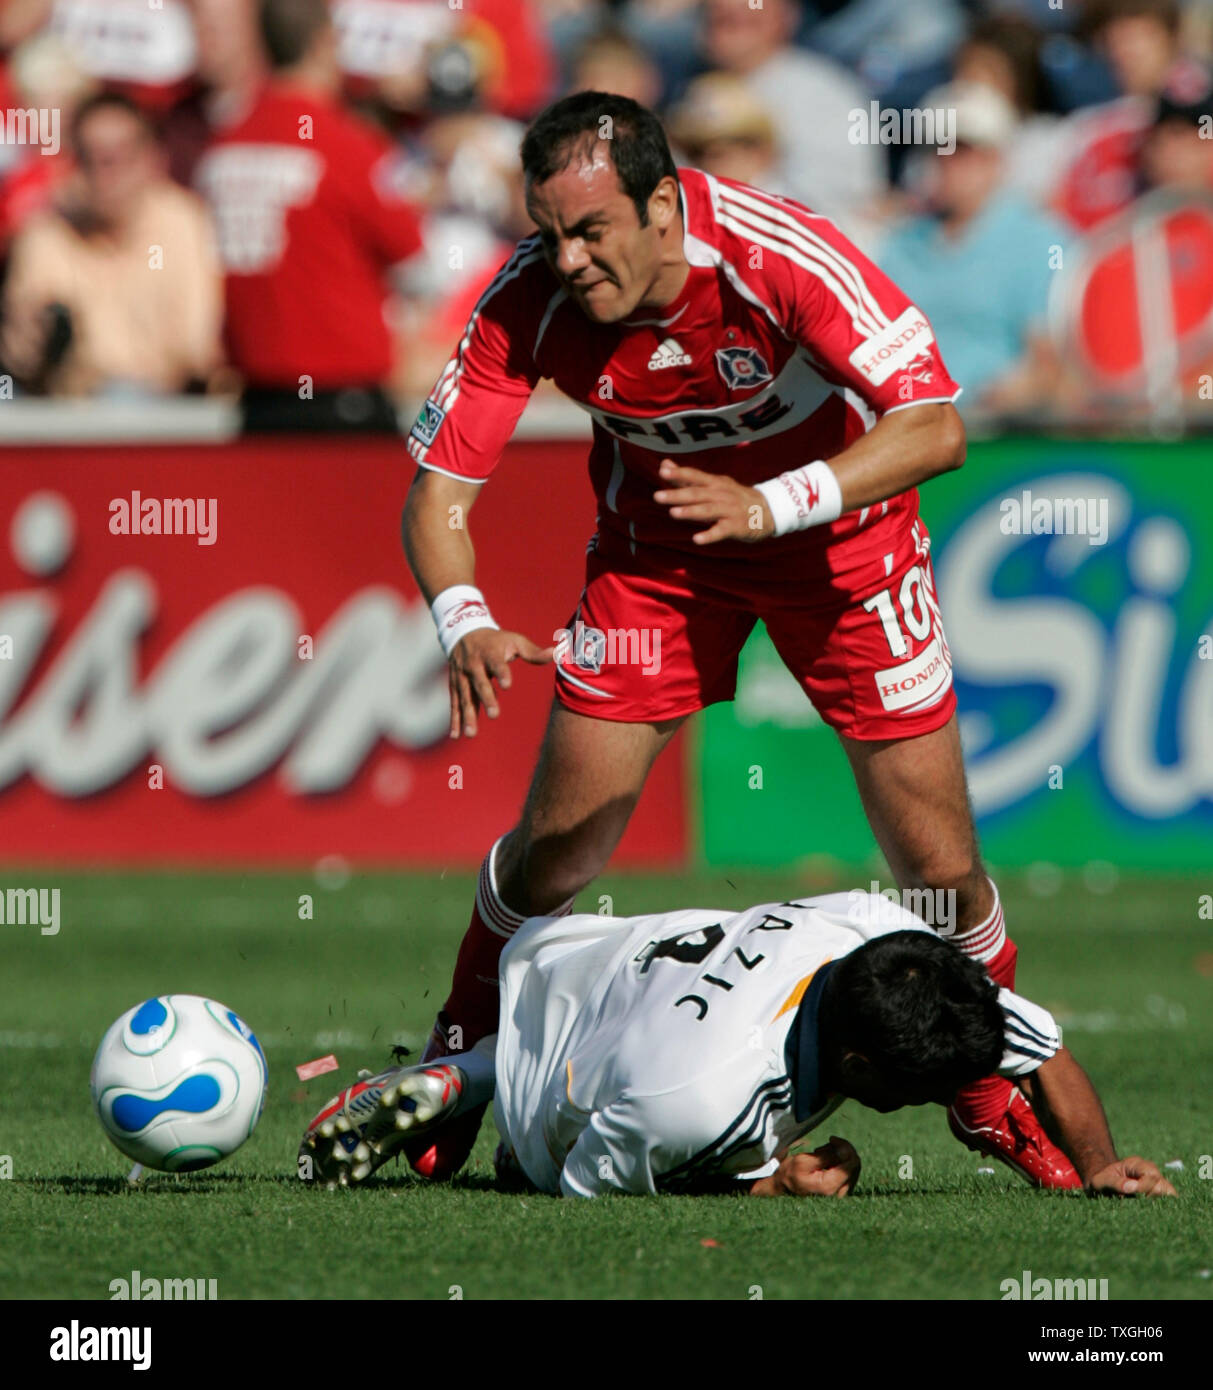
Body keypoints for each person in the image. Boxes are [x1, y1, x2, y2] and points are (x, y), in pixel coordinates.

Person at [399, 91, 1077, 1192]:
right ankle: (457, 1046)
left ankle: (988, 1096)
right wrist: (463, 617)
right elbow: (437, 495)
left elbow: (935, 425)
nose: (564, 258)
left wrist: (774, 504)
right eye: (549, 230)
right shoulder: (526, 295)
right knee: (561, 842)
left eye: (589, 231)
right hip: (659, 565)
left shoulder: (779, 254)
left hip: (841, 549)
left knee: (938, 869)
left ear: (662, 206)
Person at [300, 889, 1177, 1200]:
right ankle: (491, 1083)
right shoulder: (707, 1101)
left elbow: (1043, 1049)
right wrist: (762, 1186)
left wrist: (1095, 1160)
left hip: (578, 954)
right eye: (923, 1091)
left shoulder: (882, 938)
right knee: (537, 1154)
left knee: (626, 1048)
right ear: (861, 1071)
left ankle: (479, 1061)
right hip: (580, 1096)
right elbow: (579, 1188)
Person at [193, 0, 423, 432]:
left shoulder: (223, 146)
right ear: (324, 43)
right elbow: (419, 270)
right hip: (345, 405)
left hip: (256, 404)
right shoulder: (351, 148)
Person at [1, 90, 222, 395]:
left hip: (157, 411)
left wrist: (100, 371)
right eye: (91, 157)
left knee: (121, 395)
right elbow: (23, 354)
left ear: (152, 159)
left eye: (119, 157)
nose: (106, 173)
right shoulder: (45, 234)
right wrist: (36, 339)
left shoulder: (183, 225)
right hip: (65, 412)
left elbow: (192, 351)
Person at [877, 81, 1070, 416]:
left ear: (996, 158)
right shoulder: (900, 244)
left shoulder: (1043, 242)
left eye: (962, 150)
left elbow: (1054, 362)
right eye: (938, 148)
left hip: (1000, 433)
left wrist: (1018, 391)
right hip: (906, 421)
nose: (947, 162)